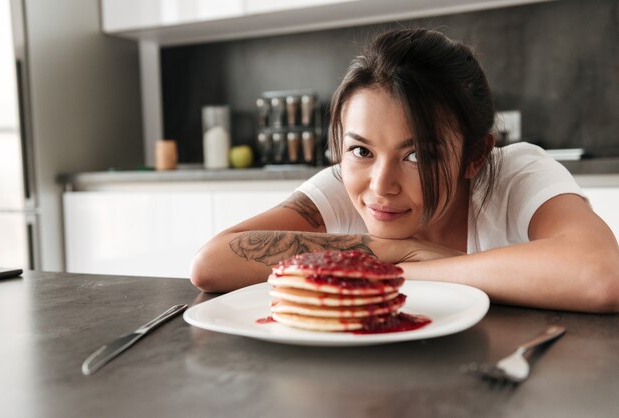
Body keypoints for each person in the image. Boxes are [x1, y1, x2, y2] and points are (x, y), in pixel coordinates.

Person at [190, 28, 619, 313]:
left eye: (417, 156)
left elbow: (601, 274)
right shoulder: (344, 181)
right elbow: (211, 263)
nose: (380, 186)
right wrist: (396, 251)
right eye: (360, 149)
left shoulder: (515, 173)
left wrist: (400, 267)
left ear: (474, 156)